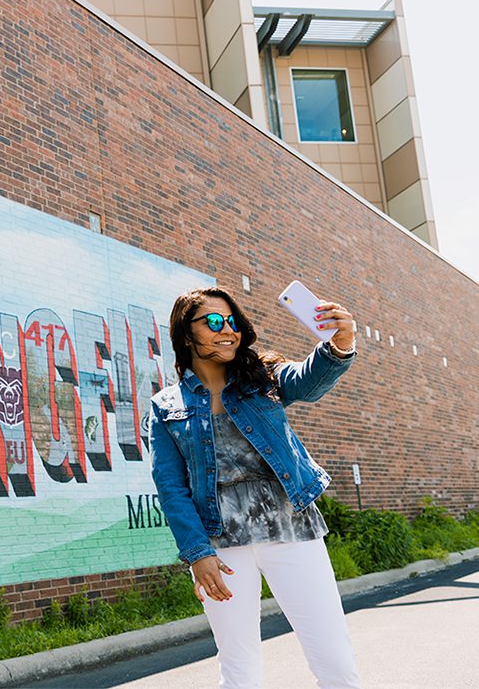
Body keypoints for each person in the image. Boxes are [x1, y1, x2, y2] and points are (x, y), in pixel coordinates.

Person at [149, 286, 360, 689]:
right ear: (185, 332)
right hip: (222, 546)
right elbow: (171, 489)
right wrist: (197, 554)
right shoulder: (166, 406)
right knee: (239, 669)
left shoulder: (262, 376)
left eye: (231, 321)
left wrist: (340, 344)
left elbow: (307, 380)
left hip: (291, 528)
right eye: (213, 321)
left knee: (335, 660)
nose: (226, 330)